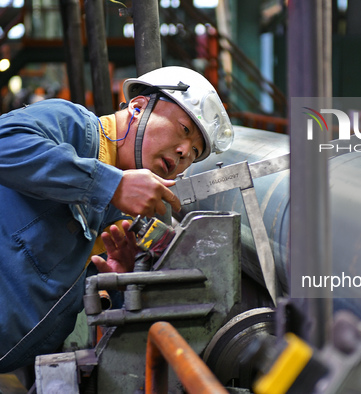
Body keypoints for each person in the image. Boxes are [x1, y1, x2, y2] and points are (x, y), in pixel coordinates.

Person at [0, 66, 234, 372]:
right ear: (137, 108)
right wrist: (111, 184)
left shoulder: (117, 213)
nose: (183, 152)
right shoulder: (72, 127)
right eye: (184, 130)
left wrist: (118, 279)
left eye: (193, 153)